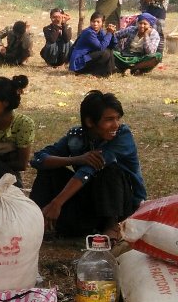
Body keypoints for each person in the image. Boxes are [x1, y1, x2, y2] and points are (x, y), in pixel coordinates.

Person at [30, 90, 144, 239]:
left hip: (120, 204)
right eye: (109, 119)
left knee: (107, 168)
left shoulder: (123, 135)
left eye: (118, 118)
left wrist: (57, 202)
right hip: (90, 202)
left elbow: (89, 169)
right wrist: (76, 159)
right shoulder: (76, 136)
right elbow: (38, 159)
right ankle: (37, 219)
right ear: (90, 122)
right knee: (50, 170)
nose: (115, 125)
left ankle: (111, 226)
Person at [69, 12, 116, 77]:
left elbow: (111, 45)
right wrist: (109, 33)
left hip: (87, 58)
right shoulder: (89, 33)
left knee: (109, 50)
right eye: (93, 21)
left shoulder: (101, 32)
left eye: (98, 22)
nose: (95, 24)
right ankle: (100, 72)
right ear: (90, 22)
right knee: (105, 53)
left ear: (102, 23)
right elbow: (101, 47)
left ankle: (110, 71)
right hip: (79, 64)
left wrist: (112, 34)